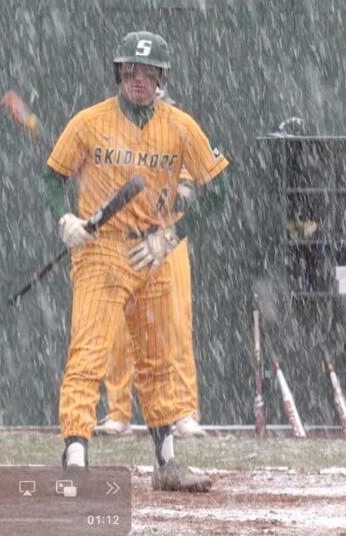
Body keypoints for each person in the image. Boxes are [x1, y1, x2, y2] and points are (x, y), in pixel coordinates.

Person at [45, 31, 226, 492]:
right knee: (88, 354)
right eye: (130, 70)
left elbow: (219, 188)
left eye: (147, 72)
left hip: (154, 249)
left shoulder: (181, 126)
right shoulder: (89, 122)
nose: (137, 79)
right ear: (119, 74)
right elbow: (53, 177)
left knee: (158, 360)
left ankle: (167, 463)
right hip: (102, 248)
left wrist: (173, 235)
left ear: (162, 77)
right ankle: (76, 461)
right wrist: (64, 217)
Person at [95, 87, 206, 439]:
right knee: (116, 329)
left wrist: (172, 209)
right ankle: (118, 412)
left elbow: (189, 189)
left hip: (165, 242)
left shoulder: (179, 135)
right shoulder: (118, 141)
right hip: (123, 241)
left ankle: (183, 410)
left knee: (175, 325)